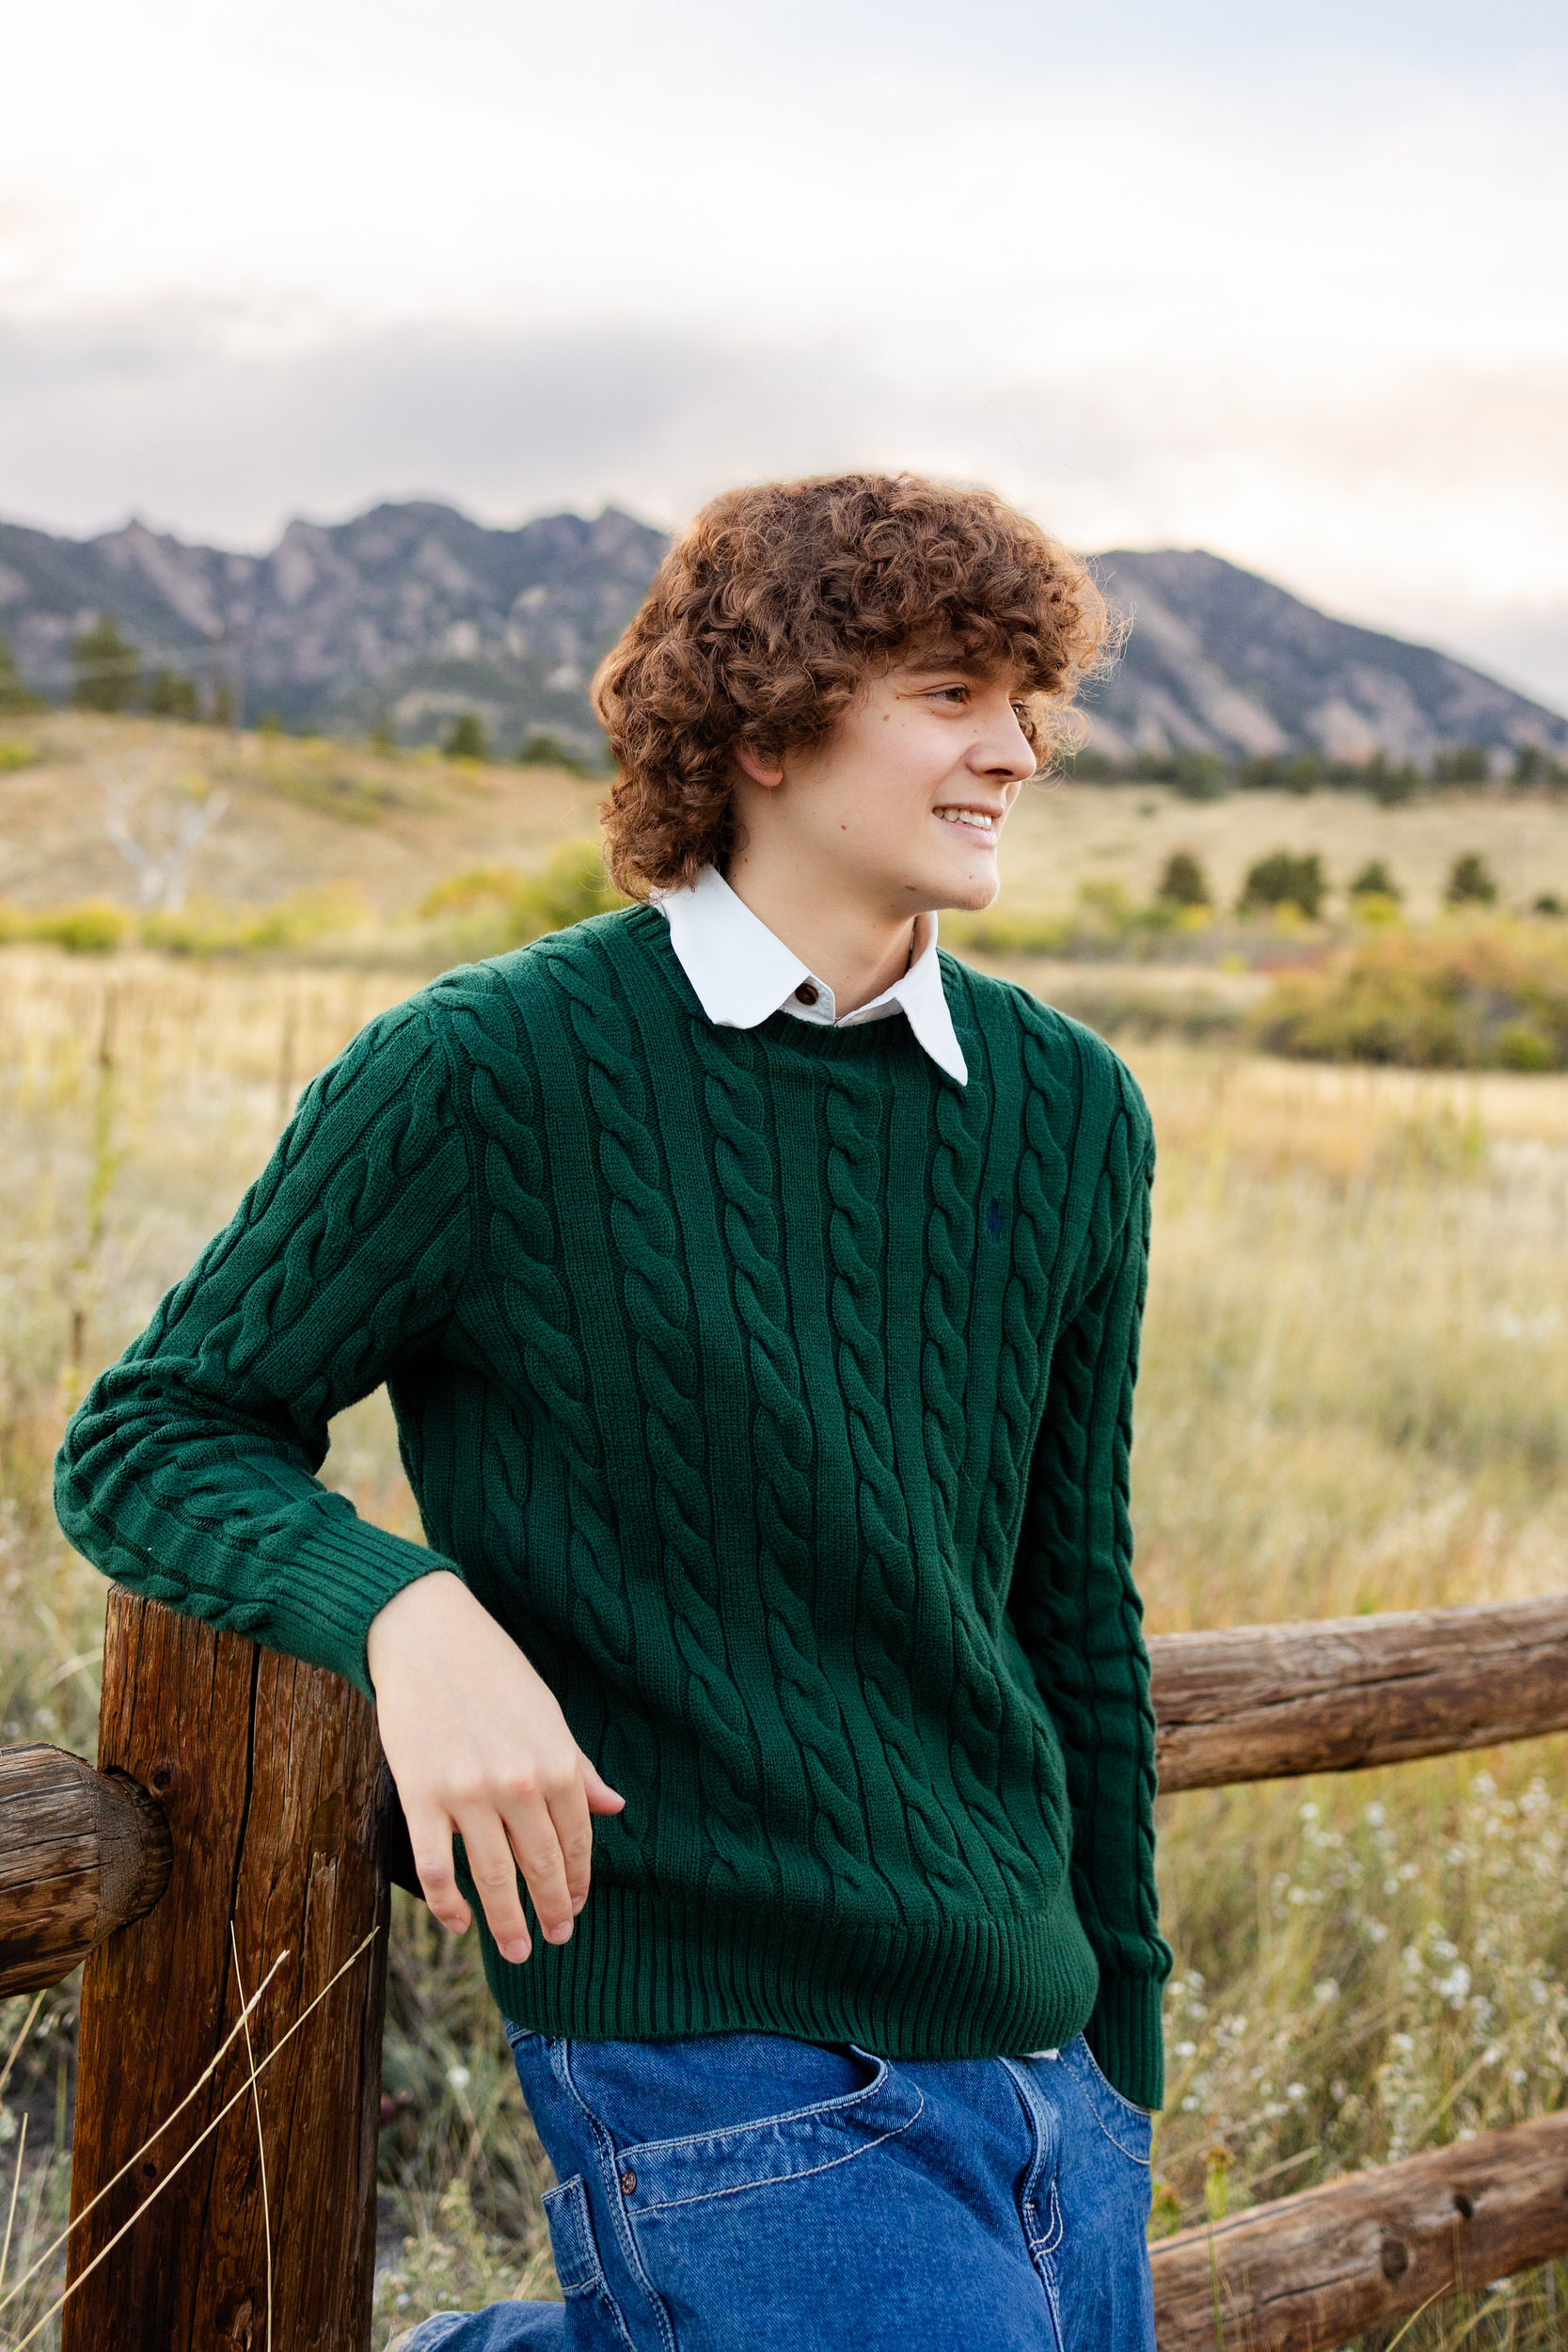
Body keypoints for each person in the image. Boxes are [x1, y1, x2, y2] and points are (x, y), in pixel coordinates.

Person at [56, 473, 1170, 2352]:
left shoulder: (1071, 1108)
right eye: (951, 694)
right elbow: (152, 1434)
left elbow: (1075, 1611)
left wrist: (1123, 2032)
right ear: (763, 729)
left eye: (1027, 700)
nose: (1018, 749)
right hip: (712, 2034)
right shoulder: (488, 1070)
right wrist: (409, 1612)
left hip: (1042, 2044)